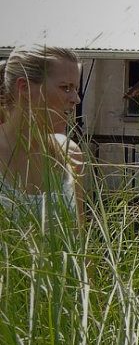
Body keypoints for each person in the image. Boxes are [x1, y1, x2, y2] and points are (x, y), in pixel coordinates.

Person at [0, 45, 85, 226]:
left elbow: (80, 243)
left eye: (75, 88)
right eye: (66, 88)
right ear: (24, 87)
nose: (76, 99)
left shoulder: (70, 154)